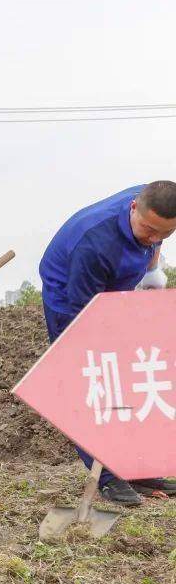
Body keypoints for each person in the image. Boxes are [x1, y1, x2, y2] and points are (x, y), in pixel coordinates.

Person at [39, 181, 176, 506]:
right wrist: (106, 345)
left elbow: (154, 235)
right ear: (133, 208)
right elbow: (84, 314)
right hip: (72, 300)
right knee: (93, 382)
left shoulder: (154, 200)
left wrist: (153, 267)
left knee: (135, 376)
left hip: (116, 289)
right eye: (148, 229)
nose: (154, 238)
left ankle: (138, 466)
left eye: (165, 233)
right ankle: (108, 475)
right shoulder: (94, 245)